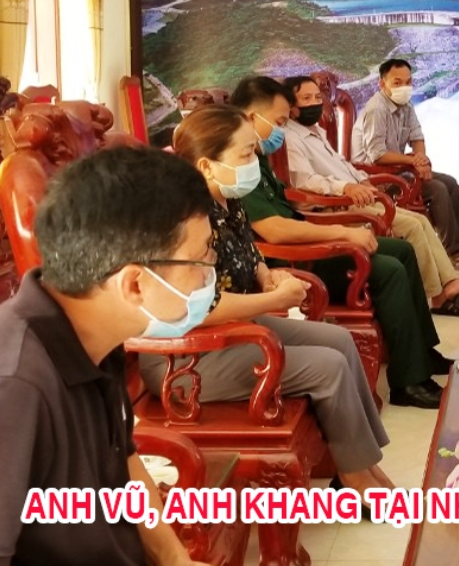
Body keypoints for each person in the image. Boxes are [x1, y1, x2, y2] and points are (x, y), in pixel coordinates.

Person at [0, 147, 216, 566]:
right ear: (134, 285)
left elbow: (122, 459)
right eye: (202, 257)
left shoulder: (93, 334)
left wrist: (176, 560)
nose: (209, 273)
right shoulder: (7, 388)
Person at [139, 106, 405, 503]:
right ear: (207, 165)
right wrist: (274, 299)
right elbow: (196, 306)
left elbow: (252, 255)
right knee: (327, 367)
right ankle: (354, 476)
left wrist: (268, 277)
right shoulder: (184, 218)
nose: (256, 161)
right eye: (246, 153)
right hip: (186, 358)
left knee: (339, 341)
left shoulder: (227, 199)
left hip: (233, 330)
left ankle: (357, 461)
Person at [227, 77, 452, 405]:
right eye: (279, 122)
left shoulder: (256, 157)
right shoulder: (236, 164)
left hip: (300, 242)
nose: (282, 131)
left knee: (402, 250)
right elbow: (275, 230)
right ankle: (409, 383)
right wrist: (343, 232)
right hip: (291, 260)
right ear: (251, 118)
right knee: (388, 270)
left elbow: (289, 212)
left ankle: (420, 352)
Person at [280, 75, 459, 315]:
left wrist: (362, 180)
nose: (315, 103)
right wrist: (345, 188)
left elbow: (342, 164)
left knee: (419, 220)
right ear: (291, 106)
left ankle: (449, 283)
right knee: (411, 226)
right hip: (336, 206)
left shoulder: (315, 131)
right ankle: (436, 294)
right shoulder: (290, 138)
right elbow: (305, 181)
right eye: (306, 98)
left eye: (318, 97)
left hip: (355, 197)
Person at [352, 58, 459, 270]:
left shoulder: (405, 105)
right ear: (382, 84)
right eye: (397, 83)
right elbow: (377, 155)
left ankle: (458, 248)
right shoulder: (376, 109)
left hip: (398, 170)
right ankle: (452, 254)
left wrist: (421, 162)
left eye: (408, 82)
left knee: (450, 182)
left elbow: (417, 137)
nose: (404, 87)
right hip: (375, 178)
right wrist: (412, 161)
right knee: (436, 189)